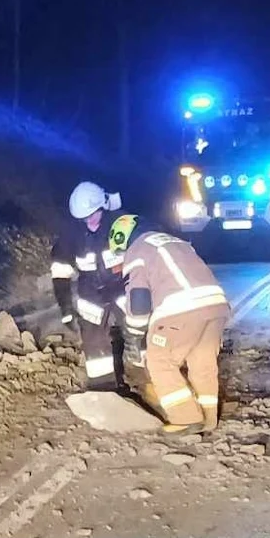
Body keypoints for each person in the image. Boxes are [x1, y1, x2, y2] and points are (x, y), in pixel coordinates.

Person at [109, 214, 230, 432]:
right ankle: (208, 419)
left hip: (182, 307)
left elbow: (139, 301)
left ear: (122, 240)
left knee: (159, 361)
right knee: (202, 363)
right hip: (216, 305)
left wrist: (135, 335)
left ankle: (185, 418)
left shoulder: (137, 250)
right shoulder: (172, 241)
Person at [50, 181, 128, 390]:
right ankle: (103, 388)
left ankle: (151, 378)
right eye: (85, 217)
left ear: (103, 206)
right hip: (91, 292)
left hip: (123, 286)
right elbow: (60, 273)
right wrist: (66, 308)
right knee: (93, 341)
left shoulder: (121, 224)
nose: (90, 220)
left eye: (94, 214)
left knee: (140, 329)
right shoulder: (70, 235)